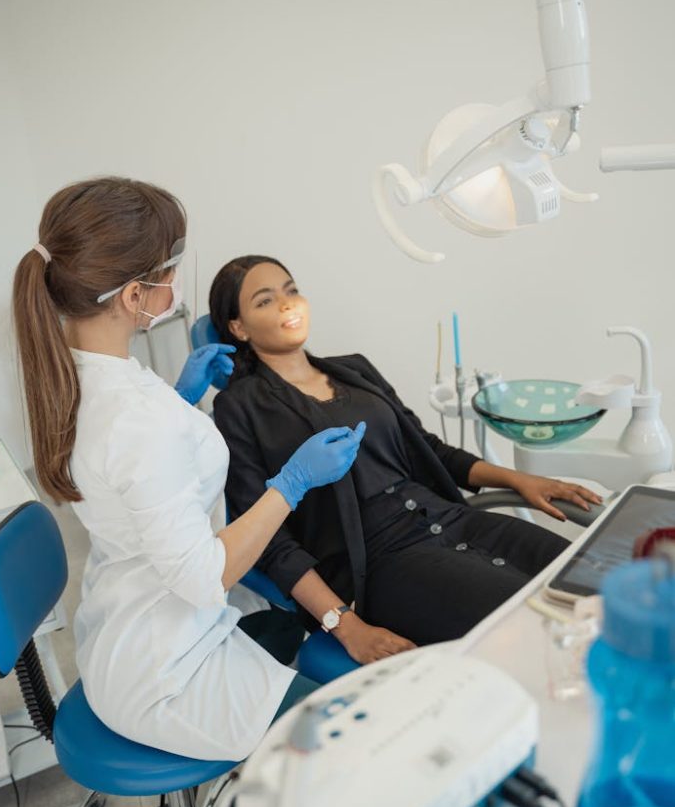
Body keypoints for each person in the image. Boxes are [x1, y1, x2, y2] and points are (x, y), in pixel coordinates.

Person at [12, 178, 366, 761]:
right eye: (170, 269)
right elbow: (204, 576)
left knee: (284, 632)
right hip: (167, 675)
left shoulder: (77, 375)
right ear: (133, 295)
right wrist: (293, 482)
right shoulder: (138, 421)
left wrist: (180, 396)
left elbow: (128, 471)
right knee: (346, 746)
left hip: (129, 624)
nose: (176, 283)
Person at [209, 255, 603, 665]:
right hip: (381, 564)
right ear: (238, 327)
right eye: (265, 300)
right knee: (538, 633)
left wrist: (519, 480)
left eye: (291, 290)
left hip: (453, 518)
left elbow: (427, 448)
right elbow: (270, 540)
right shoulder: (238, 408)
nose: (287, 304)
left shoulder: (354, 370)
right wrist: (347, 626)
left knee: (596, 585)